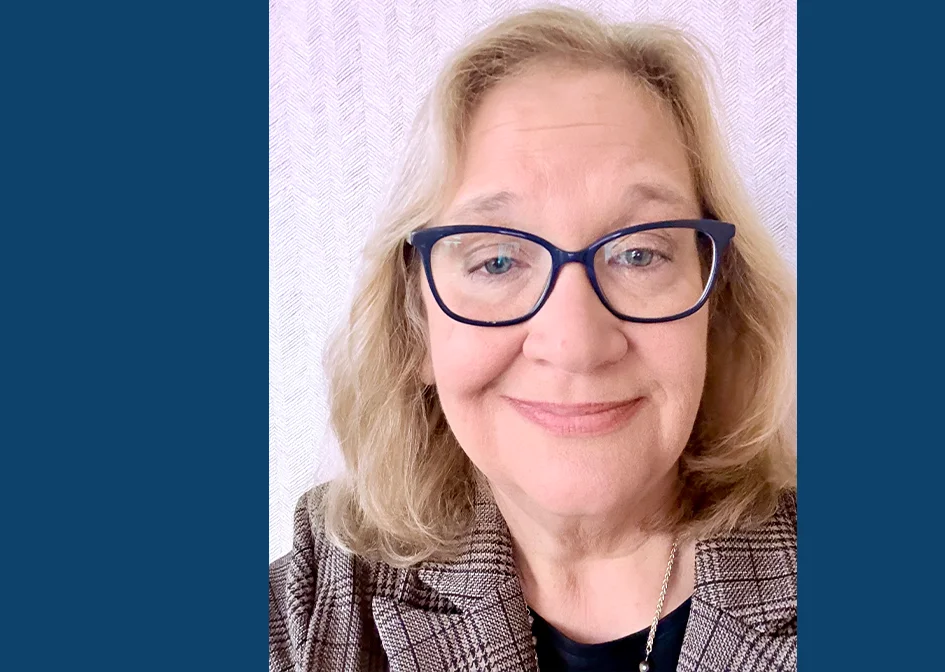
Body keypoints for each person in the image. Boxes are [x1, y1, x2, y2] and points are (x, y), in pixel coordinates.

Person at [269, 6, 796, 671]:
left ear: (716, 307)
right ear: (416, 326)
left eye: (639, 253)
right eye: (495, 261)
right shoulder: (316, 605)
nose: (576, 343)